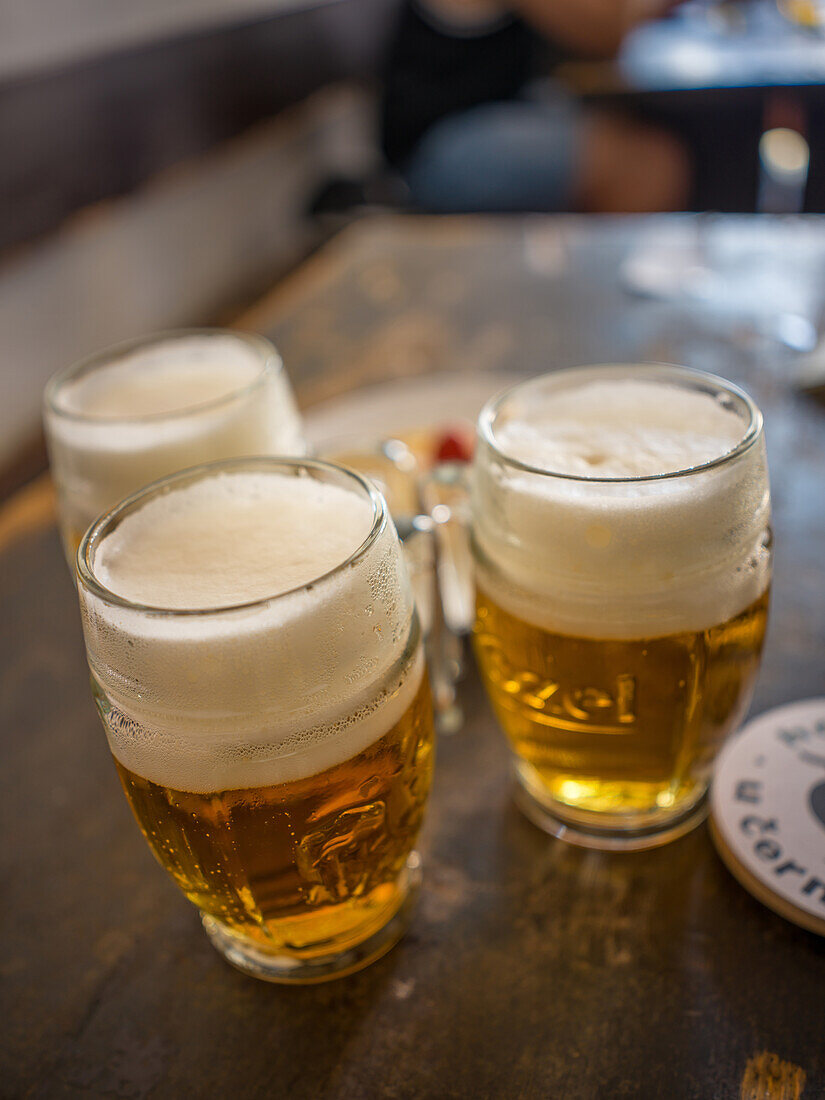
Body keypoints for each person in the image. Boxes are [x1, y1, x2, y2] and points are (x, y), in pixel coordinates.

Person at [381, 0, 690, 213]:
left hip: (498, 109)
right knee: (645, 165)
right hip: (433, 147)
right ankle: (604, 294)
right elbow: (606, 33)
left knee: (621, 127)